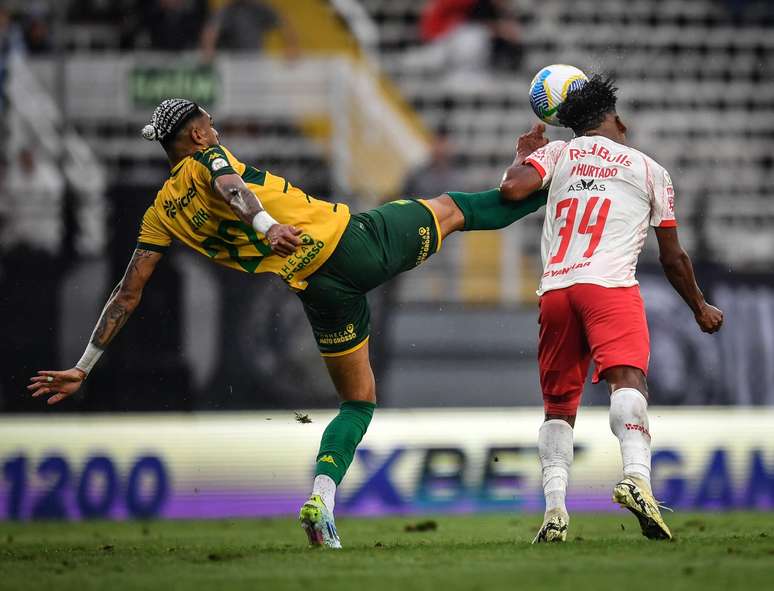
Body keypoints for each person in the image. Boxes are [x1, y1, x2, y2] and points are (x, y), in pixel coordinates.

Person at [28, 98, 547, 548]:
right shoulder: (209, 155)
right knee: (455, 208)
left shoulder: (160, 213)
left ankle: (322, 500)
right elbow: (232, 188)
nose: (216, 129)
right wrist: (268, 223)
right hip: (349, 243)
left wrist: (84, 365)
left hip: (314, 286)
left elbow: (127, 293)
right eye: (210, 123)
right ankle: (565, 184)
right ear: (196, 133)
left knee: (359, 401)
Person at [498, 76, 724, 542]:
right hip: (609, 287)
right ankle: (637, 478)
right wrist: (699, 306)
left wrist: (523, 152)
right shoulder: (649, 169)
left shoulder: (559, 153)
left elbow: (512, 189)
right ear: (617, 119)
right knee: (630, 380)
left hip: (557, 290)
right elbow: (673, 258)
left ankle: (555, 512)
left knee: (558, 407)